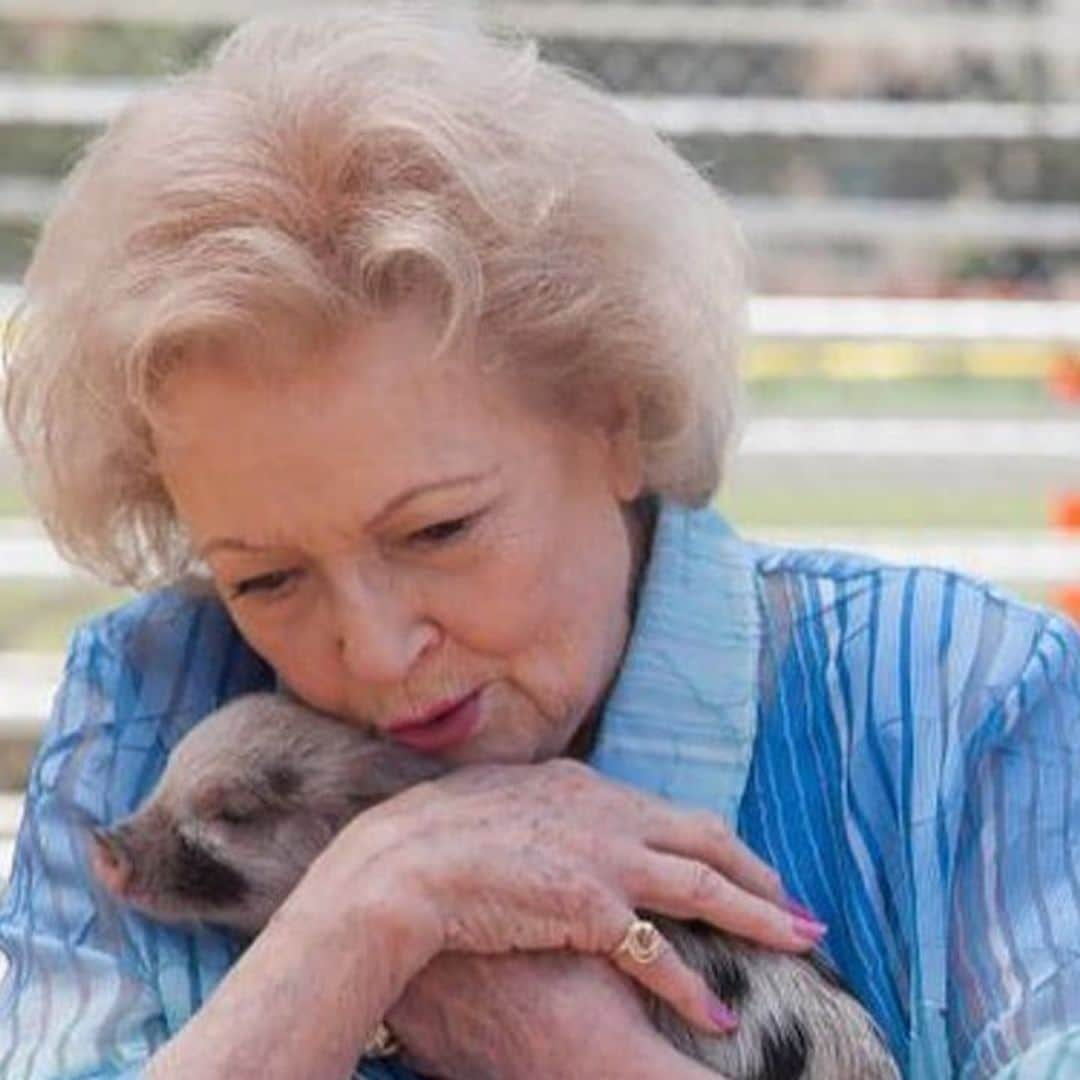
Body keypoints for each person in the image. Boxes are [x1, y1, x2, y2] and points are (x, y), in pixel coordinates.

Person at [1, 8, 1077, 1079]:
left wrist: (569, 1054)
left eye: (438, 529)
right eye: (267, 577)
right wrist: (370, 914)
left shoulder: (961, 701)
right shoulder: (146, 713)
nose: (373, 653)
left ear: (615, 420)